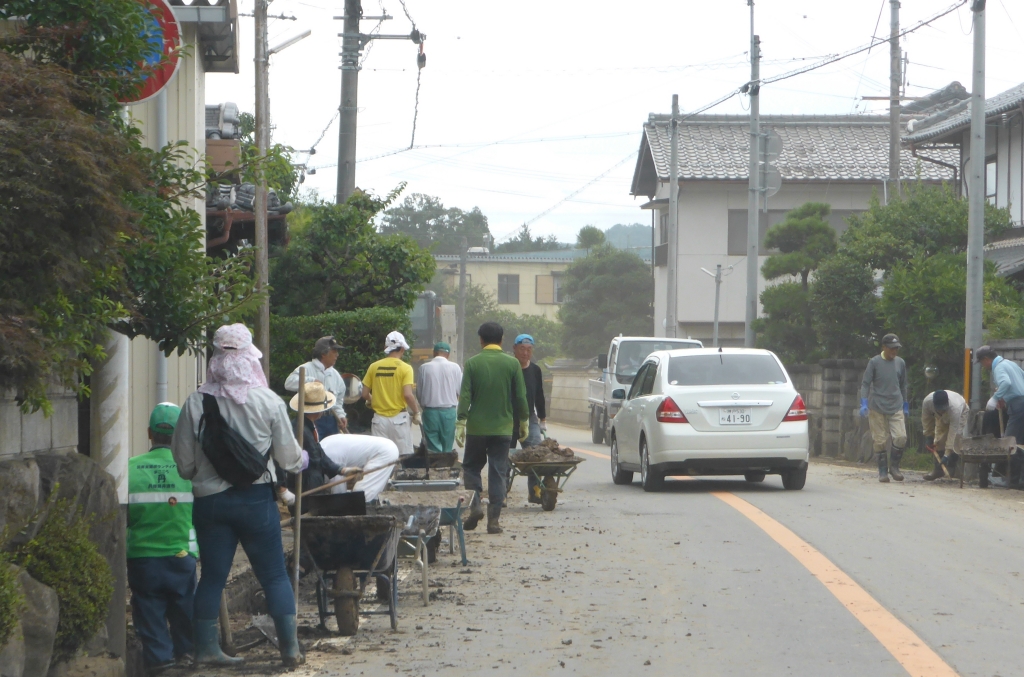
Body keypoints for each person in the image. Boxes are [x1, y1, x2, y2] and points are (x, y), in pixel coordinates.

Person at [171, 324, 305, 668]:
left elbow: (184, 466)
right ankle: (289, 649)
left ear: (215, 359)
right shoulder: (268, 401)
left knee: (212, 577)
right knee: (274, 575)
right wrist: (303, 458)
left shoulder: (195, 403)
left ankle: (206, 649)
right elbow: (289, 459)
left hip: (210, 504)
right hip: (256, 501)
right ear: (250, 359)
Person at [127, 403, 198, 673]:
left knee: (149, 609)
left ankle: (160, 662)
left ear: (149, 433)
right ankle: (186, 654)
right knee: (184, 608)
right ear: (181, 433)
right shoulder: (191, 469)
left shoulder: (130, 469)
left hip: (143, 556)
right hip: (182, 554)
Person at [456, 322, 529, 534]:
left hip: (477, 428)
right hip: (503, 429)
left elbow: (465, 396)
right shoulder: (512, 364)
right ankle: (494, 521)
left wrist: (461, 421)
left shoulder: (472, 363)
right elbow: (520, 396)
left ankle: (476, 506)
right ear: (502, 340)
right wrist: (524, 420)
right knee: (498, 471)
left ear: (481, 340)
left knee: (471, 468)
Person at [361, 331, 421, 457]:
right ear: (402, 349)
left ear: (386, 348)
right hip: (399, 420)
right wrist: (416, 412)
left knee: (381, 457)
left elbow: (365, 393)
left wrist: (372, 400)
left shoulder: (374, 367)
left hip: (379, 421)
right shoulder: (406, 368)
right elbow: (408, 395)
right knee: (401, 458)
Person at [859, 333, 909, 483]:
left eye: (896, 348)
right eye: (892, 348)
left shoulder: (900, 363)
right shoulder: (874, 362)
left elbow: (903, 385)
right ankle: (882, 471)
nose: (894, 351)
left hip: (896, 405)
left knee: (901, 437)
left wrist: (905, 404)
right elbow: (865, 383)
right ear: (884, 347)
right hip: (877, 406)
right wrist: (864, 402)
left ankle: (894, 467)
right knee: (880, 440)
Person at [976, 345, 1024, 487]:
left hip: (1018, 406)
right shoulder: (1010, 364)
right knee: (1020, 443)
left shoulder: (998, 368)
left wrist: (995, 397)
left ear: (986, 359)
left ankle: (1013, 482)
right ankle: (1019, 480)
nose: (983, 366)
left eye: (982, 362)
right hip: (1019, 402)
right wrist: (1005, 397)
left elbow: (1006, 383)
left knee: (1010, 443)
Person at [284, 336, 348, 439]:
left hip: (331, 419)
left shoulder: (335, 375)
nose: (337, 355)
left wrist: (341, 415)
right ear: (323, 353)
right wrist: (311, 381)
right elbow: (288, 383)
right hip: (311, 419)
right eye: (334, 351)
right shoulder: (306, 368)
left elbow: (338, 400)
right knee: (313, 446)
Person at [287, 381, 343, 495]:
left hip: (307, 479)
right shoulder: (302, 430)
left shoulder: (306, 425)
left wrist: (340, 470)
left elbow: (318, 451)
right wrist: (338, 469)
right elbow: (316, 457)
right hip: (306, 482)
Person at [510, 335, 547, 504]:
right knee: (505, 457)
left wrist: (542, 419)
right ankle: (502, 493)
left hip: (529, 417)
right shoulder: (509, 368)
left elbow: (539, 395)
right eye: (522, 349)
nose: (525, 353)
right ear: (514, 349)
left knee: (535, 456)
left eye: (529, 350)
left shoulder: (535, 370)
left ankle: (535, 492)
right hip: (509, 418)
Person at [320, 434, 401, 503]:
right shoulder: (322, 448)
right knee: (360, 494)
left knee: (362, 493)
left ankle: (366, 513)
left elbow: (338, 492)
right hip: (384, 448)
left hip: (385, 453)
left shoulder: (330, 457)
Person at [417, 342, 463, 455]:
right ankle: (446, 461)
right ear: (448, 355)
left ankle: (436, 463)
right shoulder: (455, 367)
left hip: (430, 412)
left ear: (434, 353)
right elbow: (461, 391)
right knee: (447, 445)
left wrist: (424, 407)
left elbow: (419, 392)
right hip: (449, 412)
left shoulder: (424, 368)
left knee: (432, 446)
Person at [921, 390, 969, 482]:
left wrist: (947, 455)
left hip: (960, 414)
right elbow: (926, 419)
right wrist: (928, 435)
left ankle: (952, 469)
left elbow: (953, 434)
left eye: (943, 408)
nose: (942, 410)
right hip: (940, 417)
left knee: (955, 441)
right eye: (940, 408)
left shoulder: (955, 408)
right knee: (939, 440)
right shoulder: (927, 402)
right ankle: (938, 470)